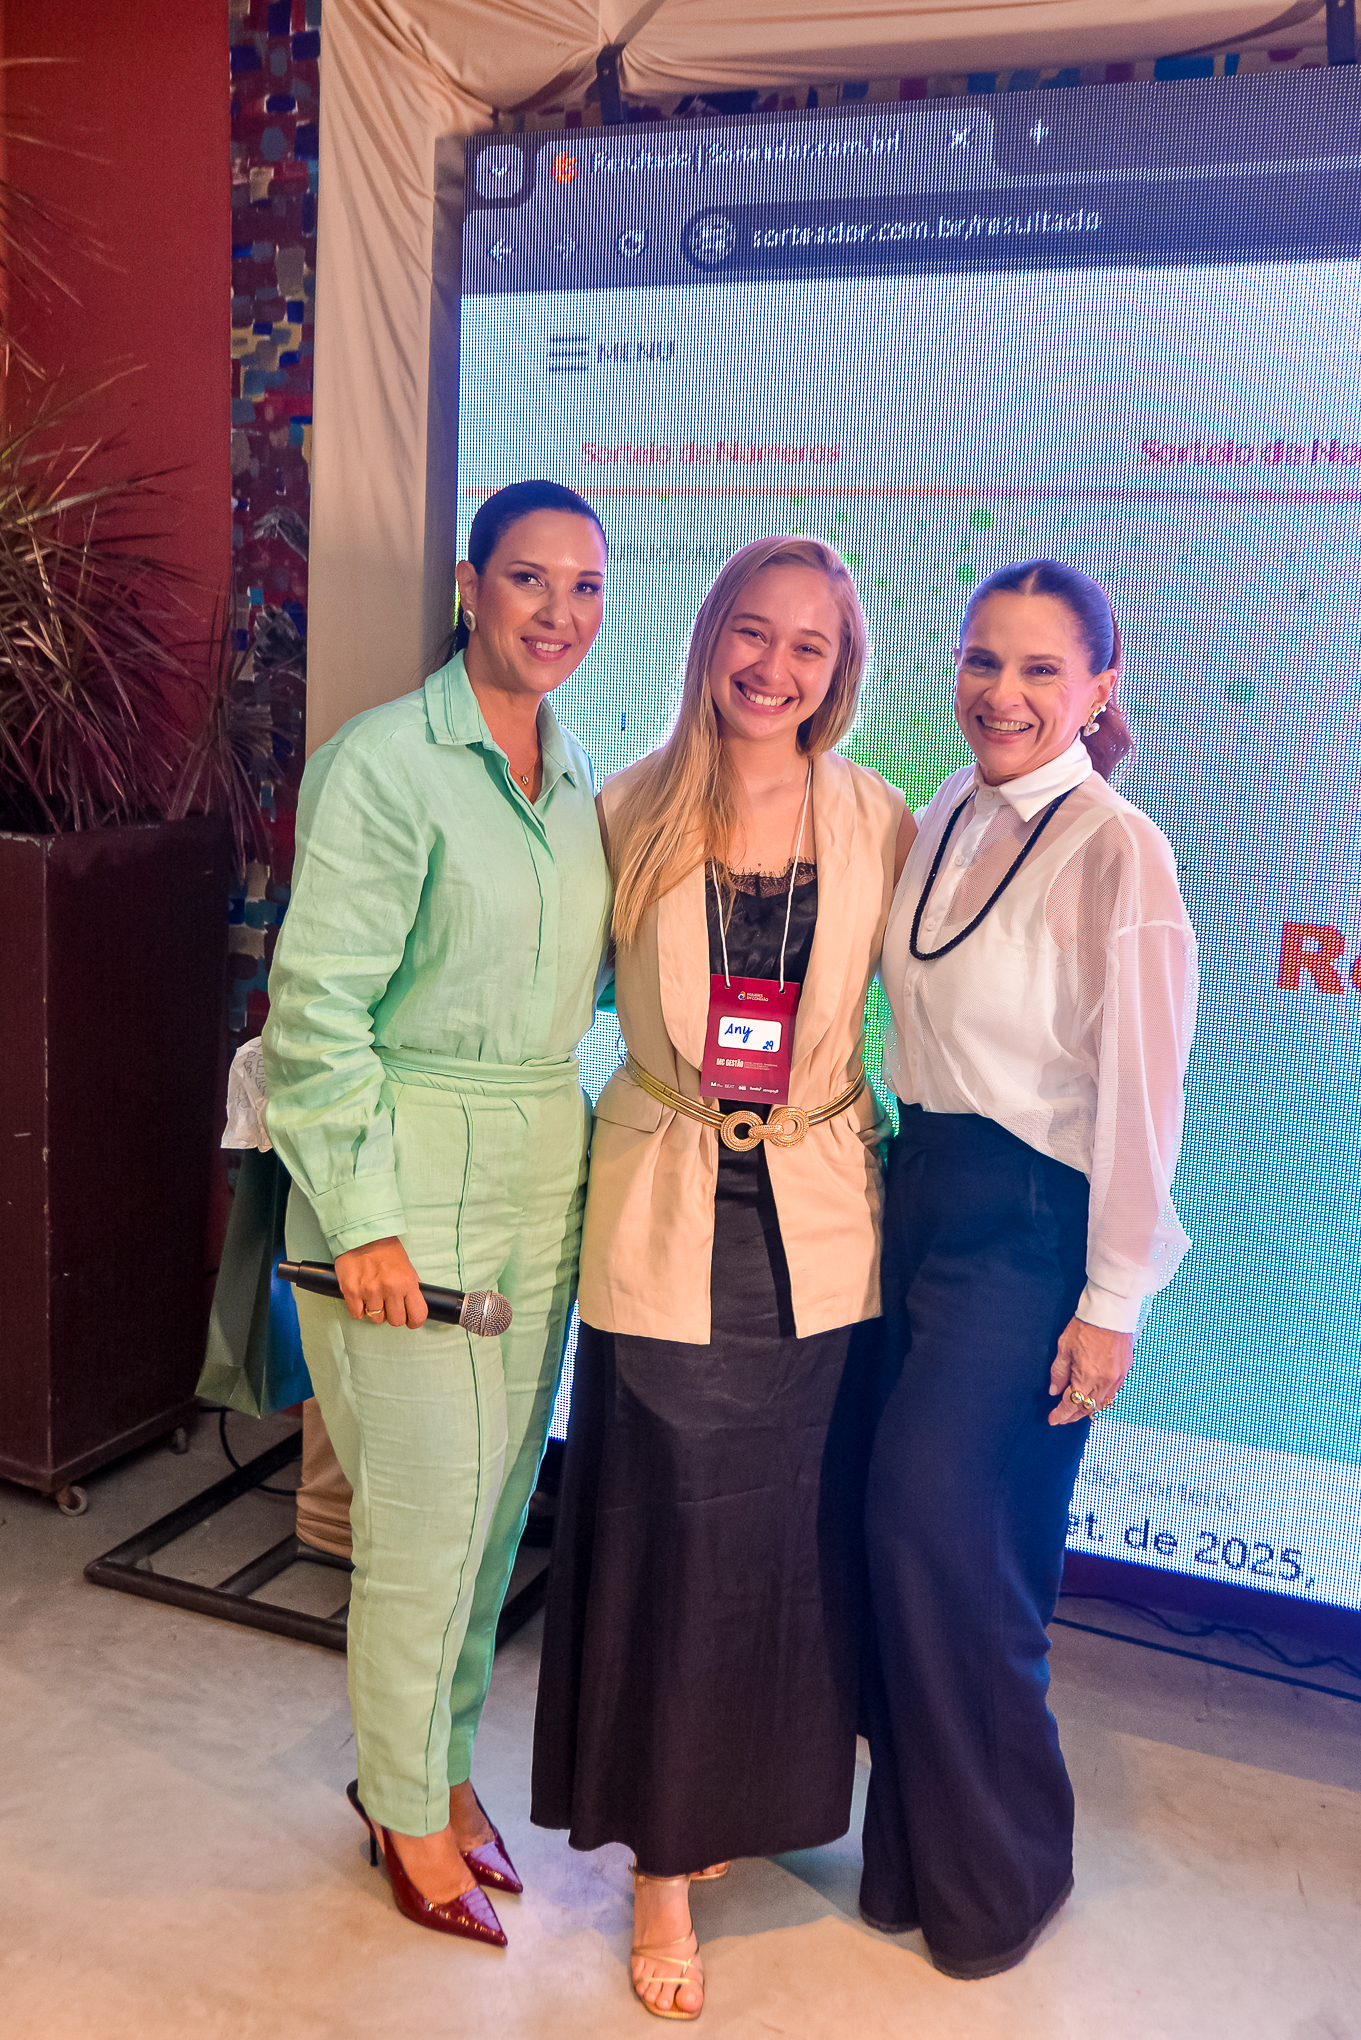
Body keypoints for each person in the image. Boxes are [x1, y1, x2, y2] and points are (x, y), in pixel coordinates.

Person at [531, 536, 915, 2019]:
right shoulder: (625, 807)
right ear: (708, 638)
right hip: (666, 1208)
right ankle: (663, 1869)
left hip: (818, 1224)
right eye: (751, 633)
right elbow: (533, 987)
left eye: (808, 645)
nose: (774, 667)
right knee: (674, 1545)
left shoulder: (876, 816)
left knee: (792, 1543)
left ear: (842, 668)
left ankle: (766, 1800)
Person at [262, 480, 612, 1946]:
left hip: (543, 1164)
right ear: (469, 586)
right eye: (529, 579)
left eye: (585, 588)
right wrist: (364, 1219)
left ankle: (439, 1771)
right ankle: (401, 1806)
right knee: (419, 1521)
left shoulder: (576, 782)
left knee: (490, 1516)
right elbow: (313, 1016)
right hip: (408, 1170)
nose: (557, 612)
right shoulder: (385, 763)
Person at [862, 558, 1197, 1978]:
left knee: (952, 1540)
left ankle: (1005, 1875)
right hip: (918, 1198)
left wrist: (1110, 1303)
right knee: (908, 1544)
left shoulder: (1120, 849)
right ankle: (913, 1861)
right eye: (980, 661)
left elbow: (1143, 1096)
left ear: (1100, 687)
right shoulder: (946, 805)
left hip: (1030, 1227)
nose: (1001, 693)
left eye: (1040, 669)